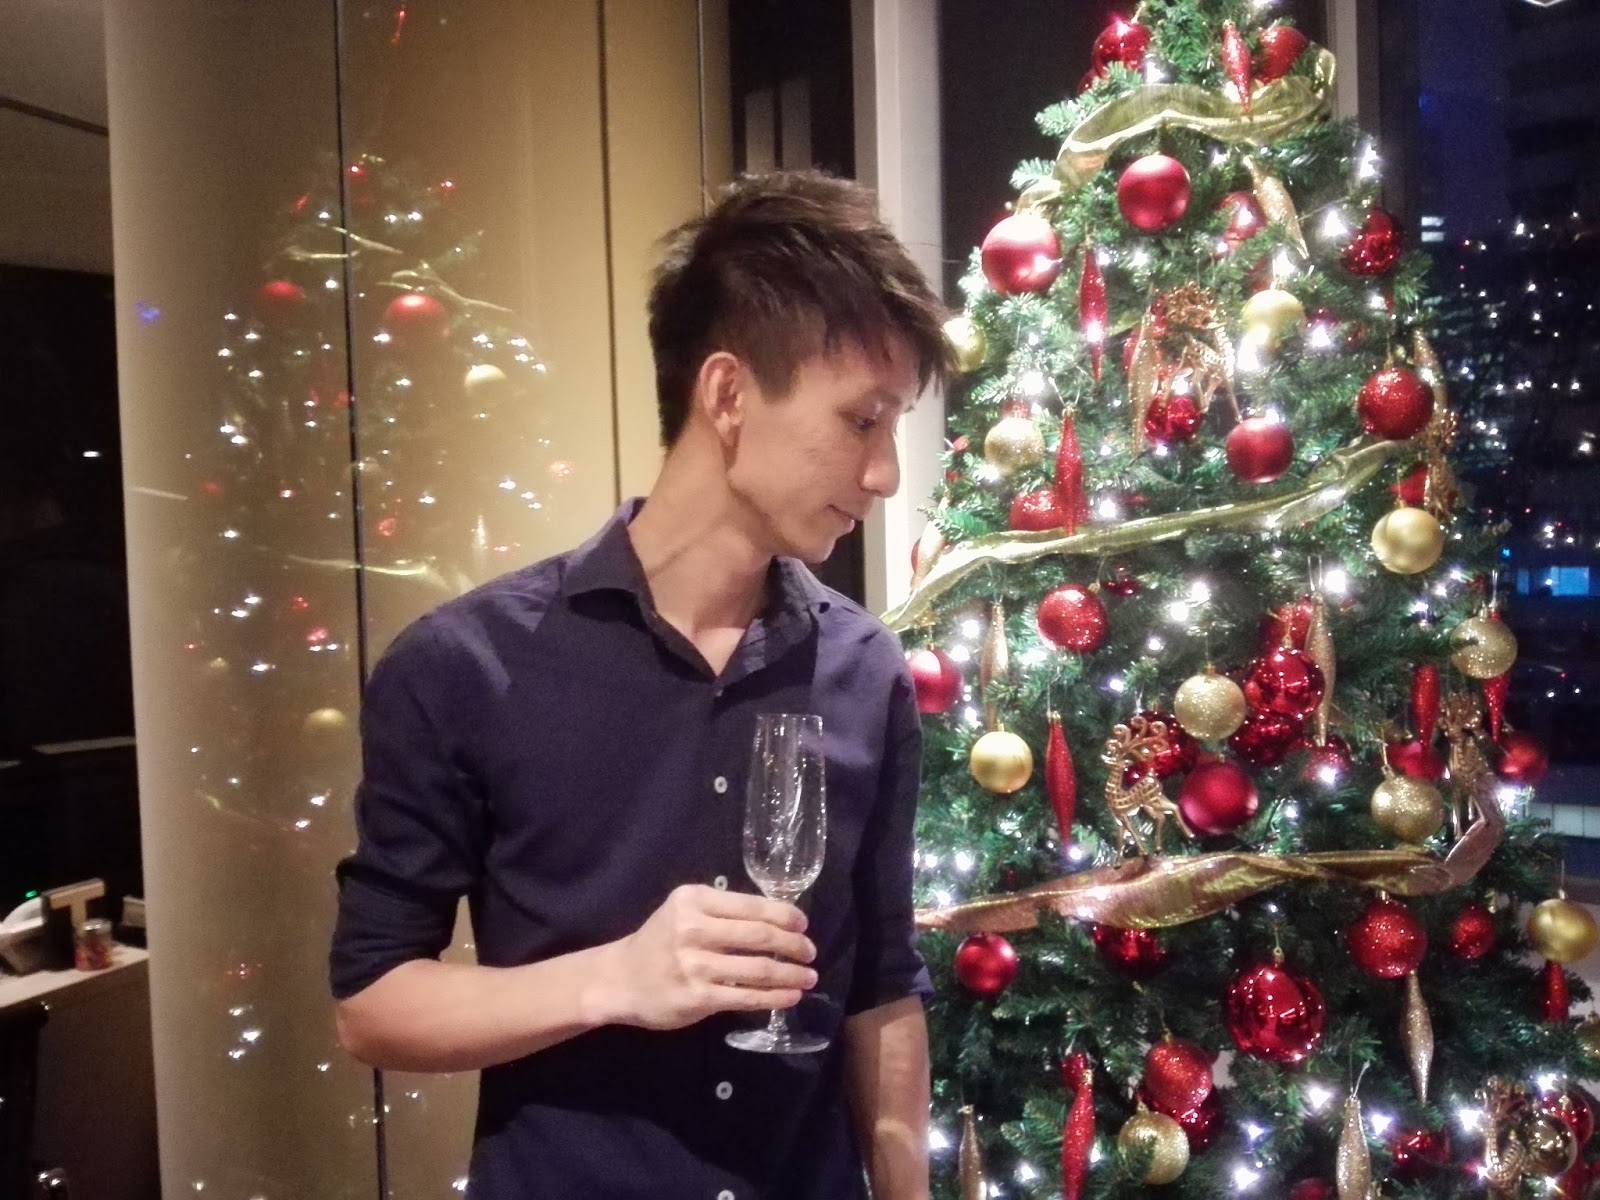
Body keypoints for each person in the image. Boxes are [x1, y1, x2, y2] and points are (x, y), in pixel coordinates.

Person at [330, 169, 953, 1199]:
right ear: (727, 395)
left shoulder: (861, 669)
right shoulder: (464, 666)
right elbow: (371, 1005)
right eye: (862, 421)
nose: (885, 473)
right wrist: (614, 979)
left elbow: (881, 984)